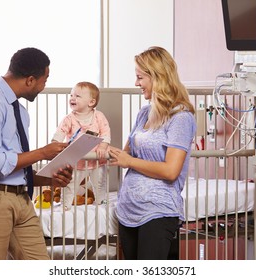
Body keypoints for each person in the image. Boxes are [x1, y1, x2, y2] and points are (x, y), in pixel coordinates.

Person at [0, 47, 73, 260]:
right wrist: (43, 152)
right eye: (44, 80)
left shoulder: (18, 110)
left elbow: (13, 167)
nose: (43, 86)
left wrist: (50, 179)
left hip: (20, 198)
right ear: (30, 80)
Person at [108, 46, 196, 260]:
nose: (136, 83)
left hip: (157, 211)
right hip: (129, 210)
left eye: (140, 77)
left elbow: (170, 171)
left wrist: (129, 160)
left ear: (158, 77)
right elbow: (126, 154)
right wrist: (99, 146)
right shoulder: (144, 113)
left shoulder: (181, 118)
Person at [51, 81, 111, 209]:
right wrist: (56, 144)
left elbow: (106, 133)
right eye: (71, 95)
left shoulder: (99, 116)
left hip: (96, 160)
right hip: (76, 161)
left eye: (77, 96)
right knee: (70, 183)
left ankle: (101, 202)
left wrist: (103, 147)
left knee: (99, 182)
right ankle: (65, 205)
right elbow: (59, 134)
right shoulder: (69, 119)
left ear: (91, 102)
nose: (72, 98)